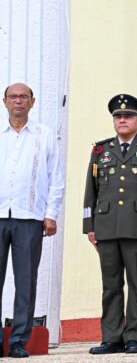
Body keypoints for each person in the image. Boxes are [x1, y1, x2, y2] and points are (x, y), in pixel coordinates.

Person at [83, 94, 137, 355]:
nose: (122, 120)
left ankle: (133, 337)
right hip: (106, 225)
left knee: (136, 283)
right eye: (118, 117)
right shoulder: (100, 150)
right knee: (110, 285)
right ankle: (111, 337)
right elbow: (91, 190)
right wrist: (89, 225)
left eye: (128, 116)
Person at [0, 83, 64, 358]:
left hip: (30, 217)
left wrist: (51, 213)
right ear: (4, 102)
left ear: (32, 102)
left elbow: (56, 177)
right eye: (13, 97)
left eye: (23, 97)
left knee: (26, 281)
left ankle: (17, 342)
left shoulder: (44, 135)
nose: (18, 101)